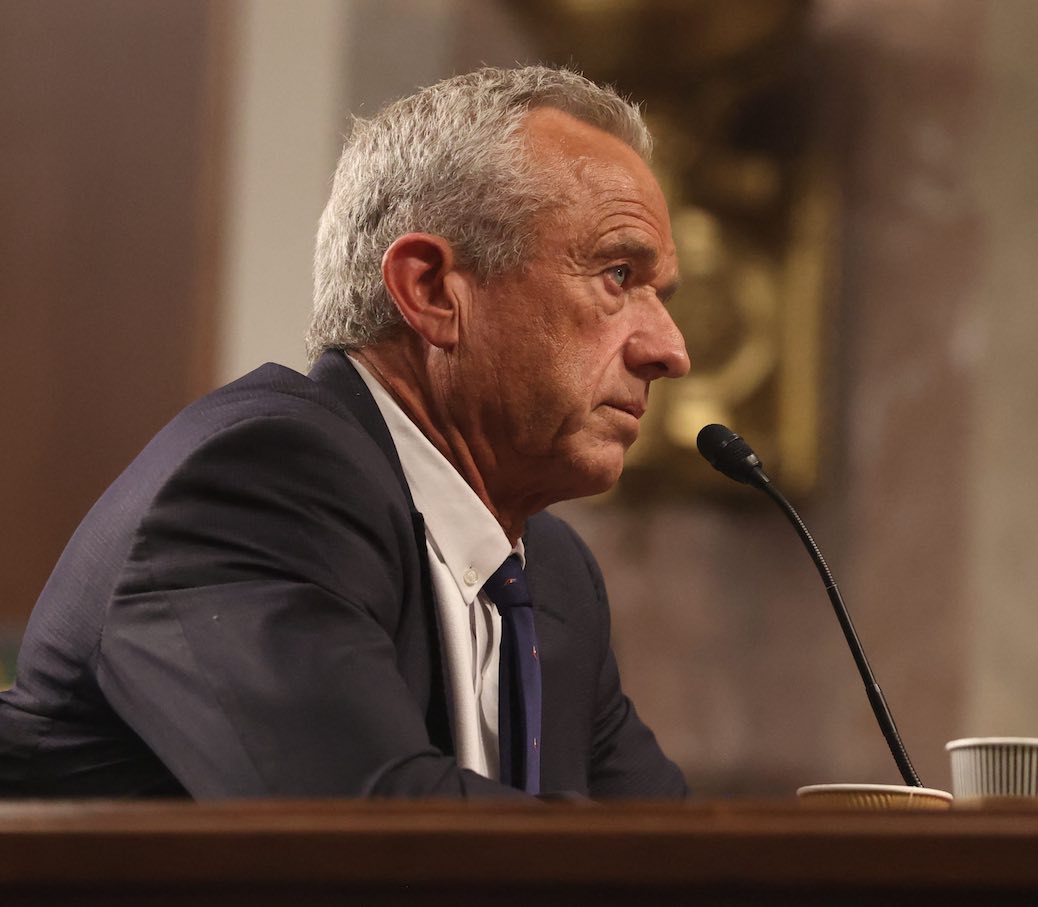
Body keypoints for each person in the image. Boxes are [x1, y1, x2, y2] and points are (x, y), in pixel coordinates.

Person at [0, 67, 691, 799]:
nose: (671, 349)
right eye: (618, 276)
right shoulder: (262, 489)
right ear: (430, 291)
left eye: (660, 295)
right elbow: (366, 839)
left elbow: (657, 843)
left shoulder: (551, 574)